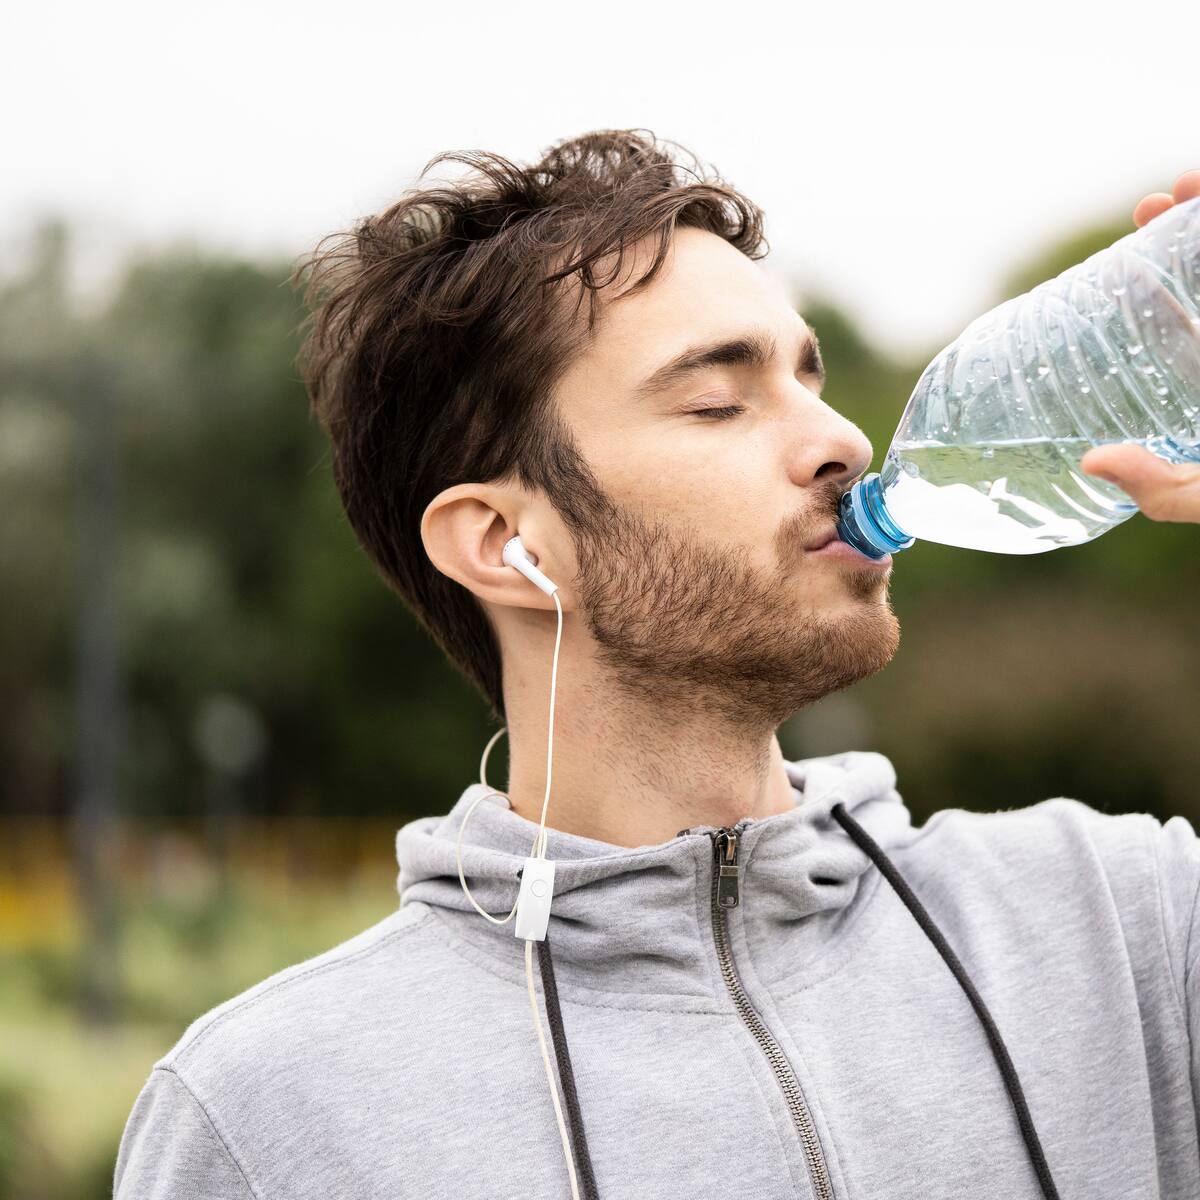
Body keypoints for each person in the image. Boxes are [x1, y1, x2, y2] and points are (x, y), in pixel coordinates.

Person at [113, 131, 1200, 1199]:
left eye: (809, 380)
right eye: (719, 400)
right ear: (506, 544)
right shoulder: (271, 1118)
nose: (844, 441)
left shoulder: (1125, 922)